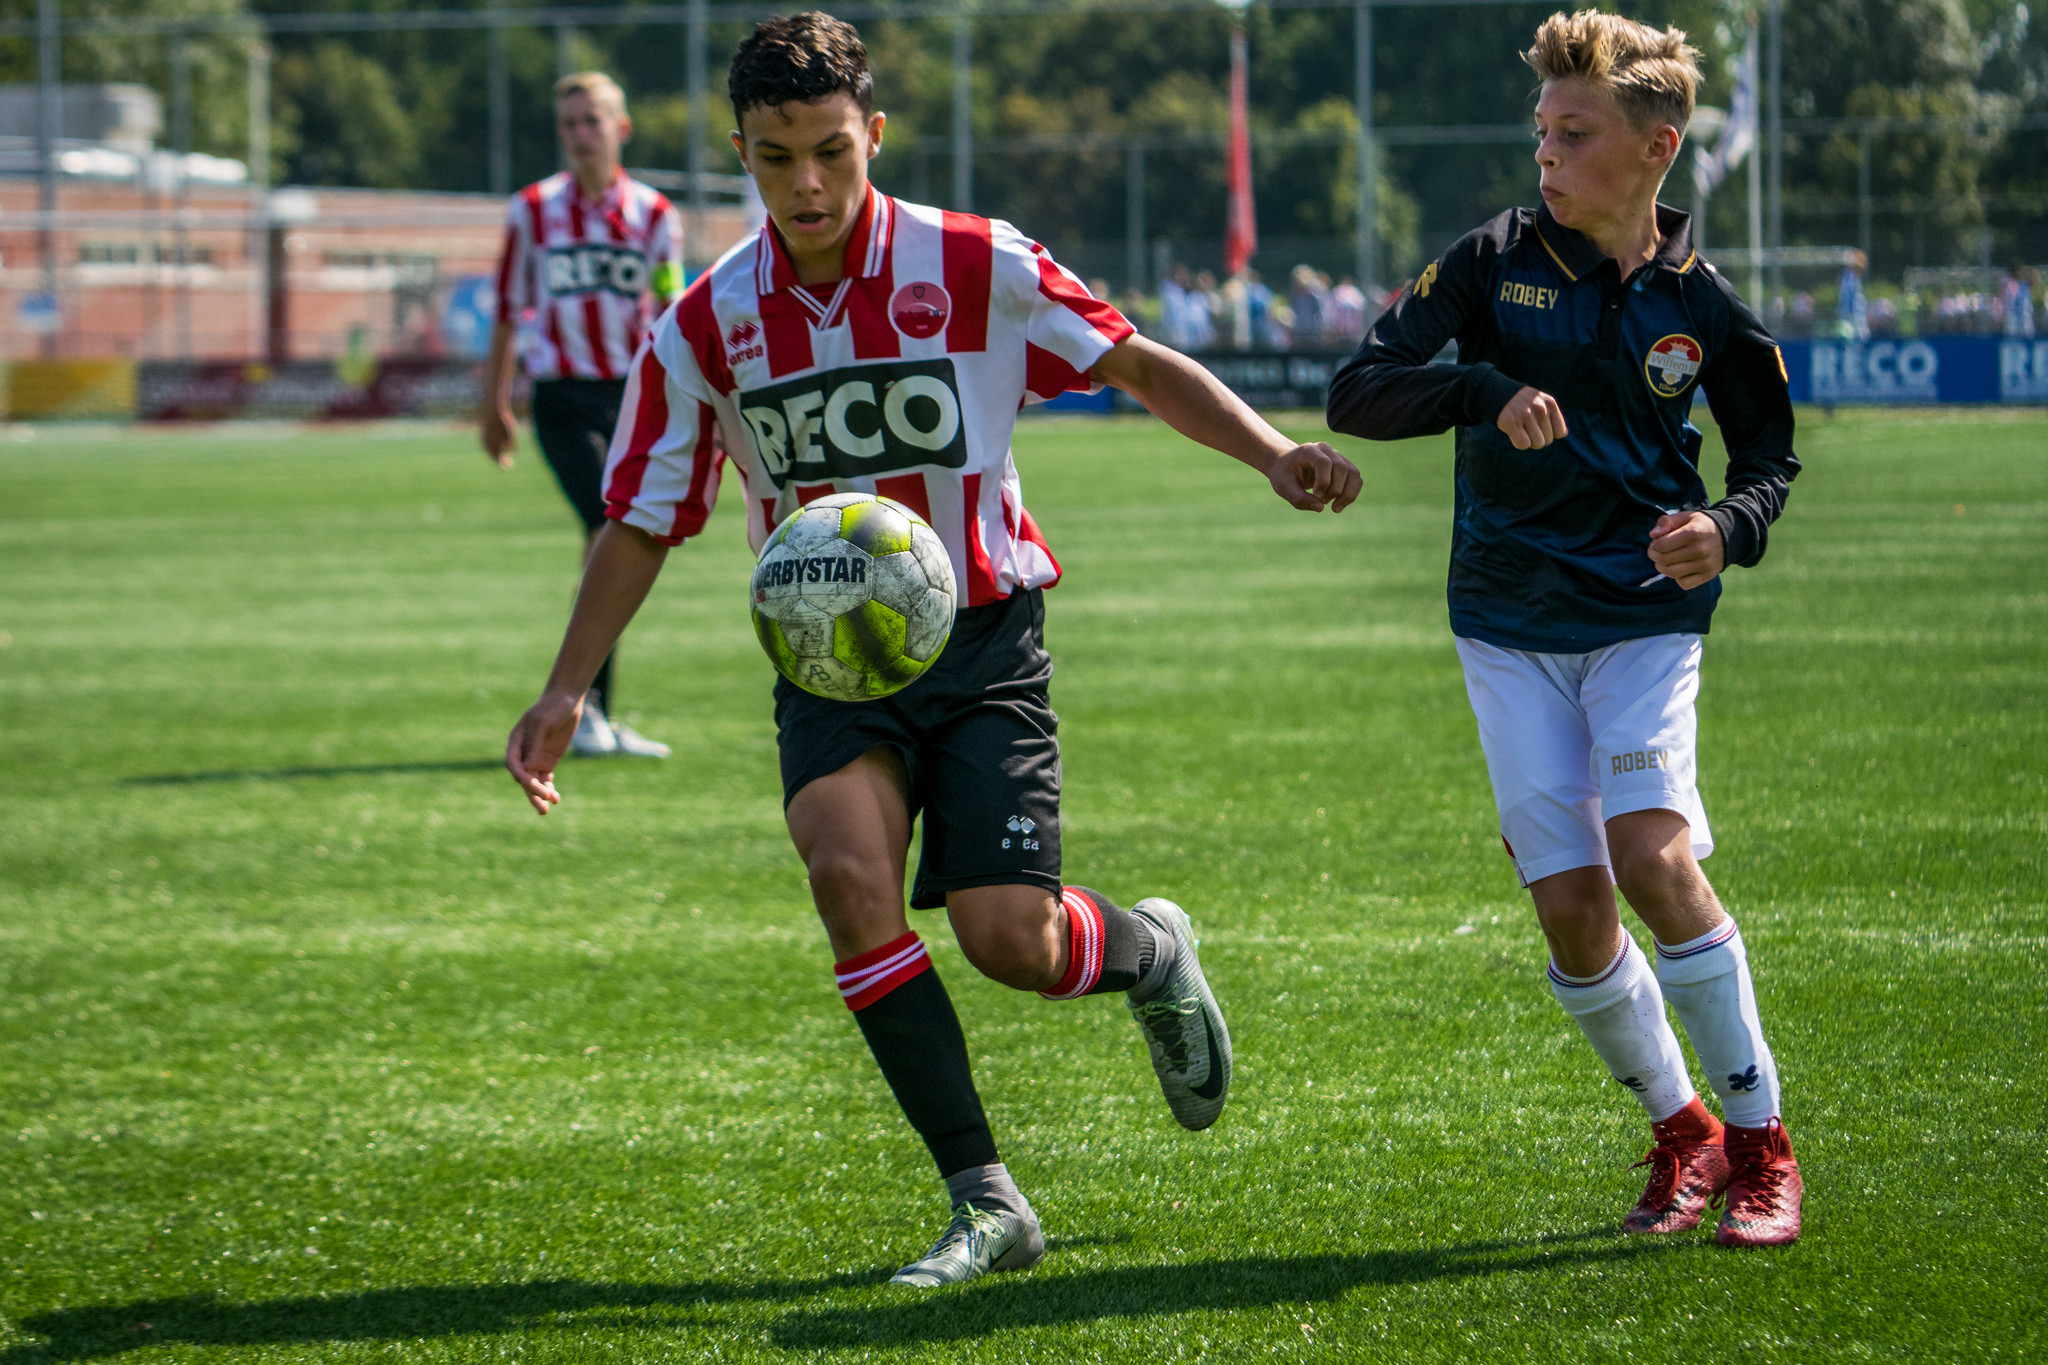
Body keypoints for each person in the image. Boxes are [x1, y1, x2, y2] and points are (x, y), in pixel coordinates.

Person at [504, 12, 1362, 1287]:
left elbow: (1130, 363)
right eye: (776, 157)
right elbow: (638, 518)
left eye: (830, 152)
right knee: (845, 876)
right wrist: (566, 688)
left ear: (874, 135)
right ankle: (986, 1199)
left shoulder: (973, 261)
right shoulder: (702, 323)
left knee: (1009, 939)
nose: (806, 184)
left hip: (980, 639)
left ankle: (1150, 954)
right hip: (826, 662)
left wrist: (1272, 452)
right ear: (739, 152)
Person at [1326, 9, 1803, 1248]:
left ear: (1656, 146)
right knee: (1572, 915)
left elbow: (1766, 455)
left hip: (1642, 615)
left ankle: (1760, 1144)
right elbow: (1356, 391)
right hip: (1503, 620)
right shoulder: (1489, 260)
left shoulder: (1701, 302)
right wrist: (1481, 391)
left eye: (1573, 132)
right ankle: (1681, 1132)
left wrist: (1728, 528)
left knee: (1651, 857)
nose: (1545, 153)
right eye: (1540, 130)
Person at [482, 71, 682, 759]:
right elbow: (508, 309)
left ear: (620, 128)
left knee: (609, 536)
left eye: (591, 120)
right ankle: (584, 709)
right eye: (568, 123)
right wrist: (494, 403)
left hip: (629, 395)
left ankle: (589, 710)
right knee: (608, 527)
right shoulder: (532, 211)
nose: (579, 134)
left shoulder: (654, 214)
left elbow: (670, 308)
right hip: (562, 397)